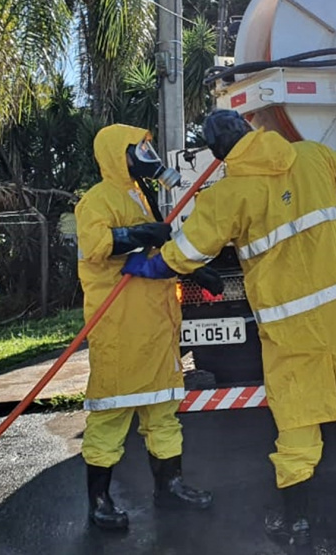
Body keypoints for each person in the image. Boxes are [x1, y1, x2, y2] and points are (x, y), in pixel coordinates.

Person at [122, 110, 336, 549]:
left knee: (297, 421)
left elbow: (187, 251)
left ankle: (296, 522)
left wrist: (150, 264)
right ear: (248, 129)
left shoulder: (228, 195)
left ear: (220, 152)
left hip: (290, 327)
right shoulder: (313, 157)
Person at [76, 124, 213, 532]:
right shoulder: (96, 200)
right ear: (120, 154)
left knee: (163, 412)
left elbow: (160, 247)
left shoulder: (141, 195)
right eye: (141, 147)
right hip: (119, 326)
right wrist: (136, 234)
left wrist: (195, 271)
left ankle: (169, 486)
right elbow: (95, 246)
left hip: (156, 325)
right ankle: (99, 500)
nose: (149, 154)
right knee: (110, 415)